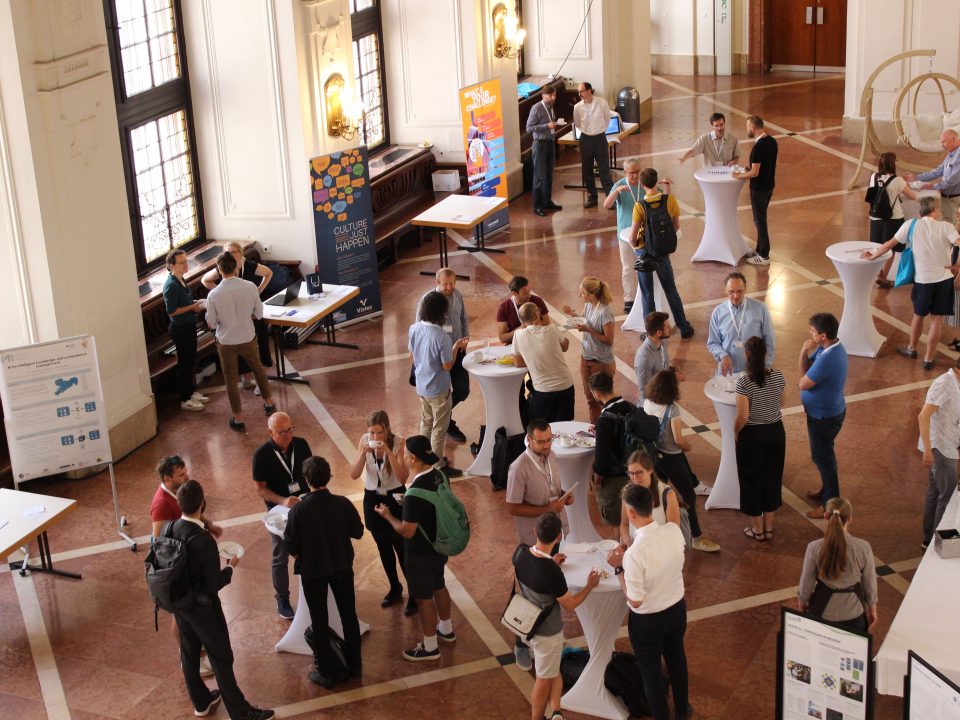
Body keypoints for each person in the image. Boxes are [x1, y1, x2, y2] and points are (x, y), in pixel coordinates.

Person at [170, 480, 275, 720]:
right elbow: (214, 583)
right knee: (221, 658)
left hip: (181, 605)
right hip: (204, 610)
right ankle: (241, 712)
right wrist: (230, 567)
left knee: (189, 653)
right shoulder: (202, 540)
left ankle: (201, 702)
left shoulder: (171, 528)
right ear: (203, 504)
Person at [606, 484, 690, 720]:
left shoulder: (634, 554)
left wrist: (619, 568)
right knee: (677, 659)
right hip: (676, 609)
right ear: (651, 505)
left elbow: (636, 600)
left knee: (651, 671)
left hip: (648, 620)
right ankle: (682, 711)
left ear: (631, 513)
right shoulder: (673, 531)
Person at [374, 436, 456, 662]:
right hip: (439, 546)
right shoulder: (439, 475)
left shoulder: (414, 493)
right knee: (439, 585)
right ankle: (446, 630)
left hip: (420, 553)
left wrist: (388, 515)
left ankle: (430, 647)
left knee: (423, 598)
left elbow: (406, 531)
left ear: (411, 458)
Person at [283, 456, 364, 688]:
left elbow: (291, 545)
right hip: (341, 567)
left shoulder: (298, 511)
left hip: (313, 571)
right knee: (349, 616)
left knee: (319, 620)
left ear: (306, 481)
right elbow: (357, 532)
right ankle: (356, 666)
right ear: (328, 477)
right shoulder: (342, 503)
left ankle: (327, 672)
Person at [514, 512, 600, 720]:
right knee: (543, 678)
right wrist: (590, 586)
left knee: (552, 669)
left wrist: (552, 562)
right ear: (559, 537)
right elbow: (570, 604)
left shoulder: (520, 553)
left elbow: (534, 575)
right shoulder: (551, 573)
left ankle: (556, 710)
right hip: (547, 632)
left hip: (526, 623)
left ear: (535, 531)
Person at [506, 419, 573, 672]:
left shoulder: (552, 456)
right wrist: (548, 509)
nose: (546, 446)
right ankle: (520, 643)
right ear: (529, 439)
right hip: (531, 541)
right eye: (541, 442)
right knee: (528, 596)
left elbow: (553, 487)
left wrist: (564, 494)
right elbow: (512, 507)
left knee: (548, 591)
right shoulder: (519, 467)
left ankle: (544, 633)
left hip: (552, 535)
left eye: (549, 440)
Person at [863, 196, 960, 370]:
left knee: (918, 316)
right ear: (935, 210)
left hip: (923, 280)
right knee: (936, 319)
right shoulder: (947, 227)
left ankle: (912, 348)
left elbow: (888, 245)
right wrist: (957, 266)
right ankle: (929, 359)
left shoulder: (910, 225)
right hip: (944, 279)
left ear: (920, 211)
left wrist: (873, 255)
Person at [150, 455, 220, 679]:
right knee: (179, 618)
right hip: (177, 571)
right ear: (167, 478)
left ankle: (195, 653)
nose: (186, 476)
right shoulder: (161, 504)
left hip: (187, 565)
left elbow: (189, 513)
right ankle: (189, 657)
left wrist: (208, 524)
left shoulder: (177, 493)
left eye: (185, 472)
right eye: (181, 475)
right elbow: (159, 542)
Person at [348, 410, 417, 616]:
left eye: (379, 432)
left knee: (400, 546)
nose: (375, 437)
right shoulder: (364, 440)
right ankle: (395, 587)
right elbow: (353, 474)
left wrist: (388, 452)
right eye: (372, 432)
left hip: (395, 496)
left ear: (387, 429)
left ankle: (414, 593)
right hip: (372, 496)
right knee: (382, 546)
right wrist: (362, 453)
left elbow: (403, 478)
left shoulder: (398, 443)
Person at [634, 312, 711, 497]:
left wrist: (672, 374)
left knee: (668, 455)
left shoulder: (662, 345)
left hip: (663, 400)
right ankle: (685, 487)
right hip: (654, 408)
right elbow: (644, 389)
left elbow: (662, 369)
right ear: (659, 332)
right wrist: (661, 405)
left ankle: (664, 488)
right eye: (667, 327)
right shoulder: (643, 357)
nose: (671, 328)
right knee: (670, 450)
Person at [643, 370, 721, 552]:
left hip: (655, 455)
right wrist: (688, 446)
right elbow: (678, 439)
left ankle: (660, 529)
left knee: (659, 493)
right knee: (689, 496)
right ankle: (696, 536)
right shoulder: (672, 409)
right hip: (672, 457)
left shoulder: (647, 402)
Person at [204, 251, 275, 430]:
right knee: (258, 369)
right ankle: (268, 403)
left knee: (230, 379)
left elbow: (211, 323)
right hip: (247, 336)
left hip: (226, 341)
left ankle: (239, 418)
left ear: (219, 270)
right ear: (236, 268)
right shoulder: (250, 286)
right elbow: (259, 313)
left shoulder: (214, 294)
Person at [252, 411, 312, 620]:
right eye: (282, 432)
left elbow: (310, 472)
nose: (288, 436)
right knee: (280, 553)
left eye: (290, 430)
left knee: (311, 547)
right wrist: (283, 500)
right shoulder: (261, 455)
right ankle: (282, 598)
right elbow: (261, 489)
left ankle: (313, 590)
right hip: (279, 510)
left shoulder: (302, 444)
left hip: (304, 504)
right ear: (270, 432)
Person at [626, 167, 695, 339]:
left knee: (647, 293)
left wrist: (636, 247)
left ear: (642, 184)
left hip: (645, 254)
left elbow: (632, 237)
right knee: (671, 290)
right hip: (663, 253)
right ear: (657, 182)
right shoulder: (670, 200)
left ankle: (650, 333)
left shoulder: (639, 206)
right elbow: (676, 226)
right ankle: (684, 327)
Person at [409, 290, 470, 477]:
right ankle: (437, 465)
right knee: (439, 428)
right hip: (439, 389)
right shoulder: (441, 337)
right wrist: (455, 347)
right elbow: (447, 365)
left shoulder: (414, 328)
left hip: (421, 386)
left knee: (426, 422)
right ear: (441, 313)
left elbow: (412, 356)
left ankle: (421, 456)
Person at [797, 497, 879, 634]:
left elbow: (806, 581)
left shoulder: (814, 547)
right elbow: (869, 583)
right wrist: (872, 608)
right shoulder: (863, 547)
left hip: (821, 611)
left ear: (825, 516)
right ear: (850, 518)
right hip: (854, 613)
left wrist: (802, 603)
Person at [201, 241, 274, 390]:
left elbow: (268, 273)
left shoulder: (249, 266)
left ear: (240, 254)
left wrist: (258, 290)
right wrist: (221, 292)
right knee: (240, 349)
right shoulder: (222, 268)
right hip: (234, 318)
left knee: (257, 346)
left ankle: (260, 383)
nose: (231, 255)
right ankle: (246, 378)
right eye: (227, 253)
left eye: (233, 252)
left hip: (251, 313)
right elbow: (205, 280)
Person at [734, 336, 786, 541]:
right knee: (772, 478)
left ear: (746, 355)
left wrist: (736, 431)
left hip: (753, 436)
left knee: (751, 480)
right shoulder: (779, 376)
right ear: (765, 354)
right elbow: (781, 403)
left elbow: (743, 416)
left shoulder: (744, 382)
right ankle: (769, 528)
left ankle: (757, 530)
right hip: (775, 433)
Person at [798, 313, 848, 518]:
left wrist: (803, 354)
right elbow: (806, 369)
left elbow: (802, 382)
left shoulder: (829, 358)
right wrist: (803, 353)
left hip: (824, 417)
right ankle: (826, 490)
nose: (810, 334)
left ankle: (831, 504)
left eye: (813, 331)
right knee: (823, 455)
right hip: (825, 412)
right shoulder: (827, 347)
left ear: (824, 335)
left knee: (824, 458)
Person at [417, 268, 471, 443]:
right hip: (437, 356)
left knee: (463, 390)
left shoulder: (458, 295)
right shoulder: (427, 301)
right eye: (446, 284)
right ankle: (444, 422)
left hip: (458, 349)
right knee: (440, 394)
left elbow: (463, 318)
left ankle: (443, 417)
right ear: (437, 283)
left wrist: (465, 337)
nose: (449, 287)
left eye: (452, 283)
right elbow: (420, 328)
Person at [917, 357, 960, 549]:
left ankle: (928, 540)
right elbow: (923, 416)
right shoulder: (944, 383)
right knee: (947, 496)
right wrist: (928, 450)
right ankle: (938, 542)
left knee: (934, 493)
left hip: (948, 445)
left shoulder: (956, 384)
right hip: (940, 448)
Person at [561, 276, 616, 424]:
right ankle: (595, 429)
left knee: (603, 400)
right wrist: (573, 315)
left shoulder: (605, 313)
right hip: (586, 357)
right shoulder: (589, 305)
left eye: (582, 293)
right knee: (590, 399)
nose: (580, 296)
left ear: (591, 295)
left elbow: (608, 340)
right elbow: (585, 321)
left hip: (600, 361)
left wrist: (589, 330)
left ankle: (604, 429)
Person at [162, 249, 209, 412]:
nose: (185, 265)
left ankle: (190, 392)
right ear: (172, 266)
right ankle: (185, 399)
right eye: (181, 263)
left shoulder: (181, 280)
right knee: (184, 363)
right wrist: (192, 307)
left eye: (186, 261)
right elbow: (172, 311)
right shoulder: (171, 285)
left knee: (191, 361)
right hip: (180, 328)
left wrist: (194, 303)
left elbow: (185, 302)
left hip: (188, 325)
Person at [511, 302, 575, 423]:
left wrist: (533, 359)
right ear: (536, 314)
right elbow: (565, 346)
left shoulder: (518, 335)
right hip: (565, 386)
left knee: (543, 427)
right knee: (565, 426)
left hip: (543, 390)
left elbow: (518, 362)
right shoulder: (551, 329)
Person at [590, 371, 636, 526]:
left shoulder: (605, 421)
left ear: (595, 393)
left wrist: (597, 481)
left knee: (617, 524)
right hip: (635, 472)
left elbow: (602, 462)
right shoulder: (631, 407)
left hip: (615, 480)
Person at [707, 272, 776, 375]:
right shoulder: (718, 312)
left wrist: (766, 366)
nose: (736, 296)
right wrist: (723, 356)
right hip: (728, 369)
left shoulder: (760, 309)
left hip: (754, 370)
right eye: (731, 292)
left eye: (739, 291)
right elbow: (713, 343)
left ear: (745, 289)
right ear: (725, 290)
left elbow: (770, 340)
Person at [867, 152, 919, 288]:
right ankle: (883, 277)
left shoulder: (873, 177)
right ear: (893, 164)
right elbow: (913, 196)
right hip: (893, 219)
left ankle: (878, 274)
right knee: (891, 248)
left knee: (878, 247)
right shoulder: (898, 181)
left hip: (875, 217)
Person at [732, 115, 778, 265]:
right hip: (769, 186)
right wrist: (749, 169)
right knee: (761, 218)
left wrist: (739, 175)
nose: (746, 129)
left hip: (759, 189)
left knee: (760, 221)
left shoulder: (758, 147)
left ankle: (764, 255)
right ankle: (759, 249)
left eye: (747, 126)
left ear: (752, 127)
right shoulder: (772, 141)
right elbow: (766, 165)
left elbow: (755, 173)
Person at [604, 158, 643, 312]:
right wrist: (616, 192)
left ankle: (643, 296)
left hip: (642, 233)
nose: (635, 176)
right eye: (632, 173)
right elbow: (607, 205)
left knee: (642, 267)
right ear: (625, 172)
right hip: (625, 235)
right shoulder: (619, 185)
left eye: (637, 172)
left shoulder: (643, 183)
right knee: (628, 268)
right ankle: (629, 300)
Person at [618, 450, 681, 546]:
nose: (634, 478)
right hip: (636, 549)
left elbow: (673, 531)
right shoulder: (627, 492)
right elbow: (624, 524)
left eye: (639, 473)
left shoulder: (667, 495)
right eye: (631, 473)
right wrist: (628, 542)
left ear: (650, 470)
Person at [904, 128, 960, 223]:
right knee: (947, 222)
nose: (942, 145)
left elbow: (951, 180)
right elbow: (938, 172)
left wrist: (933, 186)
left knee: (949, 223)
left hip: (953, 197)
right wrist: (916, 177)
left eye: (944, 142)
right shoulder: (951, 154)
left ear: (953, 139)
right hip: (946, 196)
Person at [572, 81, 614, 208]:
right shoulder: (577, 107)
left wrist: (598, 131)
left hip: (600, 138)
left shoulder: (602, 103)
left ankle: (610, 198)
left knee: (604, 169)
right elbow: (577, 123)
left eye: (582, 91)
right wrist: (588, 133)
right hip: (586, 140)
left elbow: (607, 120)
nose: (580, 94)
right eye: (578, 92)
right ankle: (592, 196)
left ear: (589, 90)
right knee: (587, 169)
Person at [526, 85, 562, 217]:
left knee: (549, 175)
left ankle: (547, 202)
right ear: (543, 96)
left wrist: (553, 125)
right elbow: (529, 128)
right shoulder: (536, 108)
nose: (553, 98)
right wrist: (546, 126)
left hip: (550, 143)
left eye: (554, 95)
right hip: (540, 145)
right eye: (550, 95)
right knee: (539, 177)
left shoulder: (551, 107)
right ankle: (537, 206)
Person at [497, 275, 550, 344]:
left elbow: (548, 324)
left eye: (529, 291)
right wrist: (519, 330)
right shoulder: (504, 308)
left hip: (537, 341)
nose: (529, 295)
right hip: (518, 345)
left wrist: (537, 324)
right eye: (525, 293)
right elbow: (502, 338)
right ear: (514, 293)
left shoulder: (537, 301)